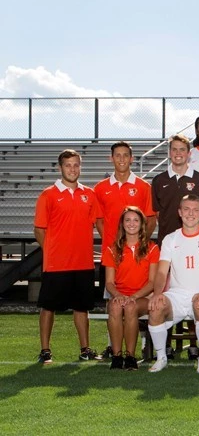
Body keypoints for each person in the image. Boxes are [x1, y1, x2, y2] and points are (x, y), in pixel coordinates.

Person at [34, 149, 104, 364]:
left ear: (80, 167)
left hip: (83, 263)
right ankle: (45, 350)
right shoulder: (48, 195)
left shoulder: (89, 194)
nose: (72, 169)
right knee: (48, 307)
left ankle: (85, 349)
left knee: (81, 307)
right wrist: (54, 250)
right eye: (68, 165)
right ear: (60, 168)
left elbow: (99, 223)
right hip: (56, 265)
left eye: (76, 165)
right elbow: (39, 230)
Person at [147, 195, 199, 373]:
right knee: (156, 307)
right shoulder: (170, 239)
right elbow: (161, 271)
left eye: (195, 210)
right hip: (177, 294)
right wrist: (158, 293)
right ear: (180, 212)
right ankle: (161, 358)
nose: (191, 213)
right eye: (187, 209)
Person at [102, 207, 159, 370]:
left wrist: (133, 296)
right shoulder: (112, 250)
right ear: (122, 224)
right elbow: (109, 283)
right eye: (127, 220)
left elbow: (152, 282)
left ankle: (131, 356)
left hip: (142, 297)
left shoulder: (152, 248)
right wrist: (119, 295)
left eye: (136, 220)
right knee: (114, 306)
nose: (131, 224)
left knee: (130, 307)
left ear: (142, 224)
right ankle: (117, 356)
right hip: (120, 295)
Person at [95, 141, 156, 254]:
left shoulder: (144, 187)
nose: (122, 159)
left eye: (125, 155)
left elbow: (151, 220)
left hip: (137, 253)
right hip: (111, 252)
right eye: (118, 155)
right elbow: (99, 222)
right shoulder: (100, 188)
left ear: (131, 159)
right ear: (111, 158)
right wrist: (112, 244)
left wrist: (140, 244)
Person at [151, 134, 199, 242]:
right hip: (167, 240)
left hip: (195, 240)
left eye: (182, 149)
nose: (178, 153)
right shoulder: (158, 180)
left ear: (189, 153)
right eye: (174, 149)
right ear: (169, 152)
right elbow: (158, 213)